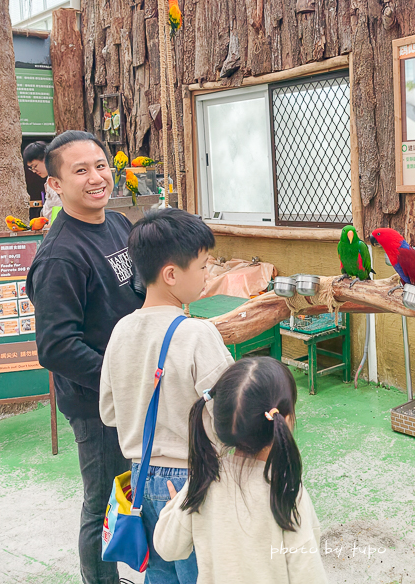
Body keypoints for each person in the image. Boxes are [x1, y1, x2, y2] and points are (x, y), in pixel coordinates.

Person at [26, 130, 144, 584]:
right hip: (97, 404)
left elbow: (138, 287)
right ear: (55, 185)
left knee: (134, 488)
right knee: (104, 501)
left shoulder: (117, 224)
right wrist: (122, 381)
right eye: (81, 171)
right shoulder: (60, 256)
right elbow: (56, 347)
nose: (97, 178)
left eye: (100, 166)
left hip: (136, 388)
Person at [100, 208, 233, 584]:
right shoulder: (197, 334)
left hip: (140, 480)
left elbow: (109, 412)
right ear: (171, 274)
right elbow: (228, 412)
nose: (207, 275)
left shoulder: (121, 330)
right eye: (203, 266)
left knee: (160, 574)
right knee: (201, 574)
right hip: (192, 479)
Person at [153, 357, 328, 584]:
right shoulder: (286, 491)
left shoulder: (205, 480)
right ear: (284, 420)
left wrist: (174, 507)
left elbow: (168, 548)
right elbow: (308, 574)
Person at [23, 140, 63, 220]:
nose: (34, 171)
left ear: (46, 159)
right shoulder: (49, 180)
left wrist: (52, 224)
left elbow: (59, 206)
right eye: (31, 168)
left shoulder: (57, 179)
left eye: (35, 166)